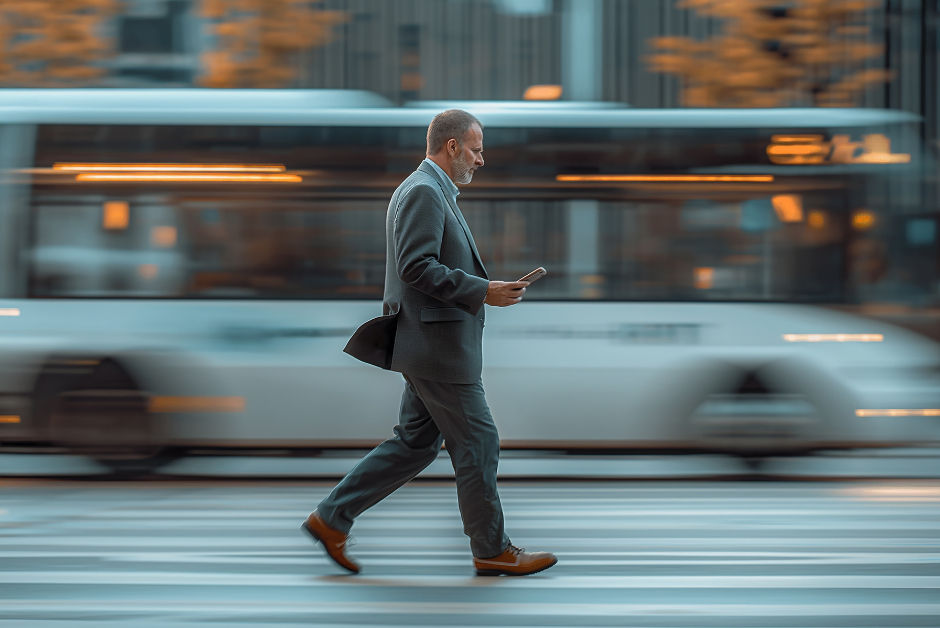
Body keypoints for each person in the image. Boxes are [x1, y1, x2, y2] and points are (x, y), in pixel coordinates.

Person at [302, 109, 557, 577]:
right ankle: (492, 548)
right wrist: (484, 291)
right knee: (480, 441)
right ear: (453, 146)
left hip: (430, 344)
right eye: (477, 149)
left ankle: (331, 518)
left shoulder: (431, 190)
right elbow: (415, 267)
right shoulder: (423, 191)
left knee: (415, 444)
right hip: (437, 348)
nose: (482, 159)